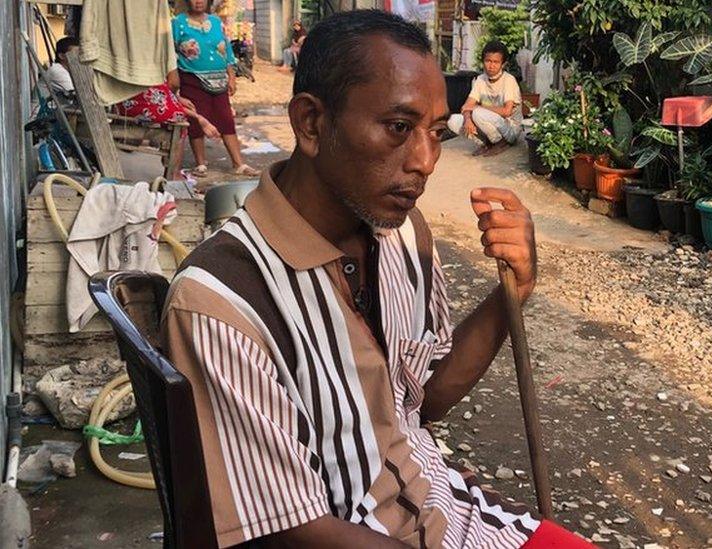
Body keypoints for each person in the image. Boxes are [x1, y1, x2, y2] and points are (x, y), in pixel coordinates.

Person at [161, 9, 594, 549]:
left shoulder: (404, 236)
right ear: (312, 124)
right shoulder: (220, 301)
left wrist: (514, 292)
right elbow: (288, 531)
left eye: (435, 133)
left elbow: (421, 401)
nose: (426, 161)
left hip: (449, 508)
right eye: (398, 128)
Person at [171, 0, 259, 177]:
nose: (198, 1)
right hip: (191, 78)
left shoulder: (216, 22)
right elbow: (170, 53)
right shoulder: (177, 23)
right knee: (196, 120)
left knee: (226, 119)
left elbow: (227, 51)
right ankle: (201, 164)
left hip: (219, 79)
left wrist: (232, 76)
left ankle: (238, 164)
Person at [448, 40, 523, 157]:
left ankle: (501, 142)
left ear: (503, 64)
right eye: (488, 61)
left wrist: (478, 107)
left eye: (496, 62)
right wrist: (467, 119)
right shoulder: (480, 80)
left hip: (510, 129)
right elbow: (467, 106)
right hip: (490, 121)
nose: (491, 66)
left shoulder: (509, 80)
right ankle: (486, 143)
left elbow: (507, 111)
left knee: (477, 113)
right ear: (483, 61)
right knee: (453, 120)